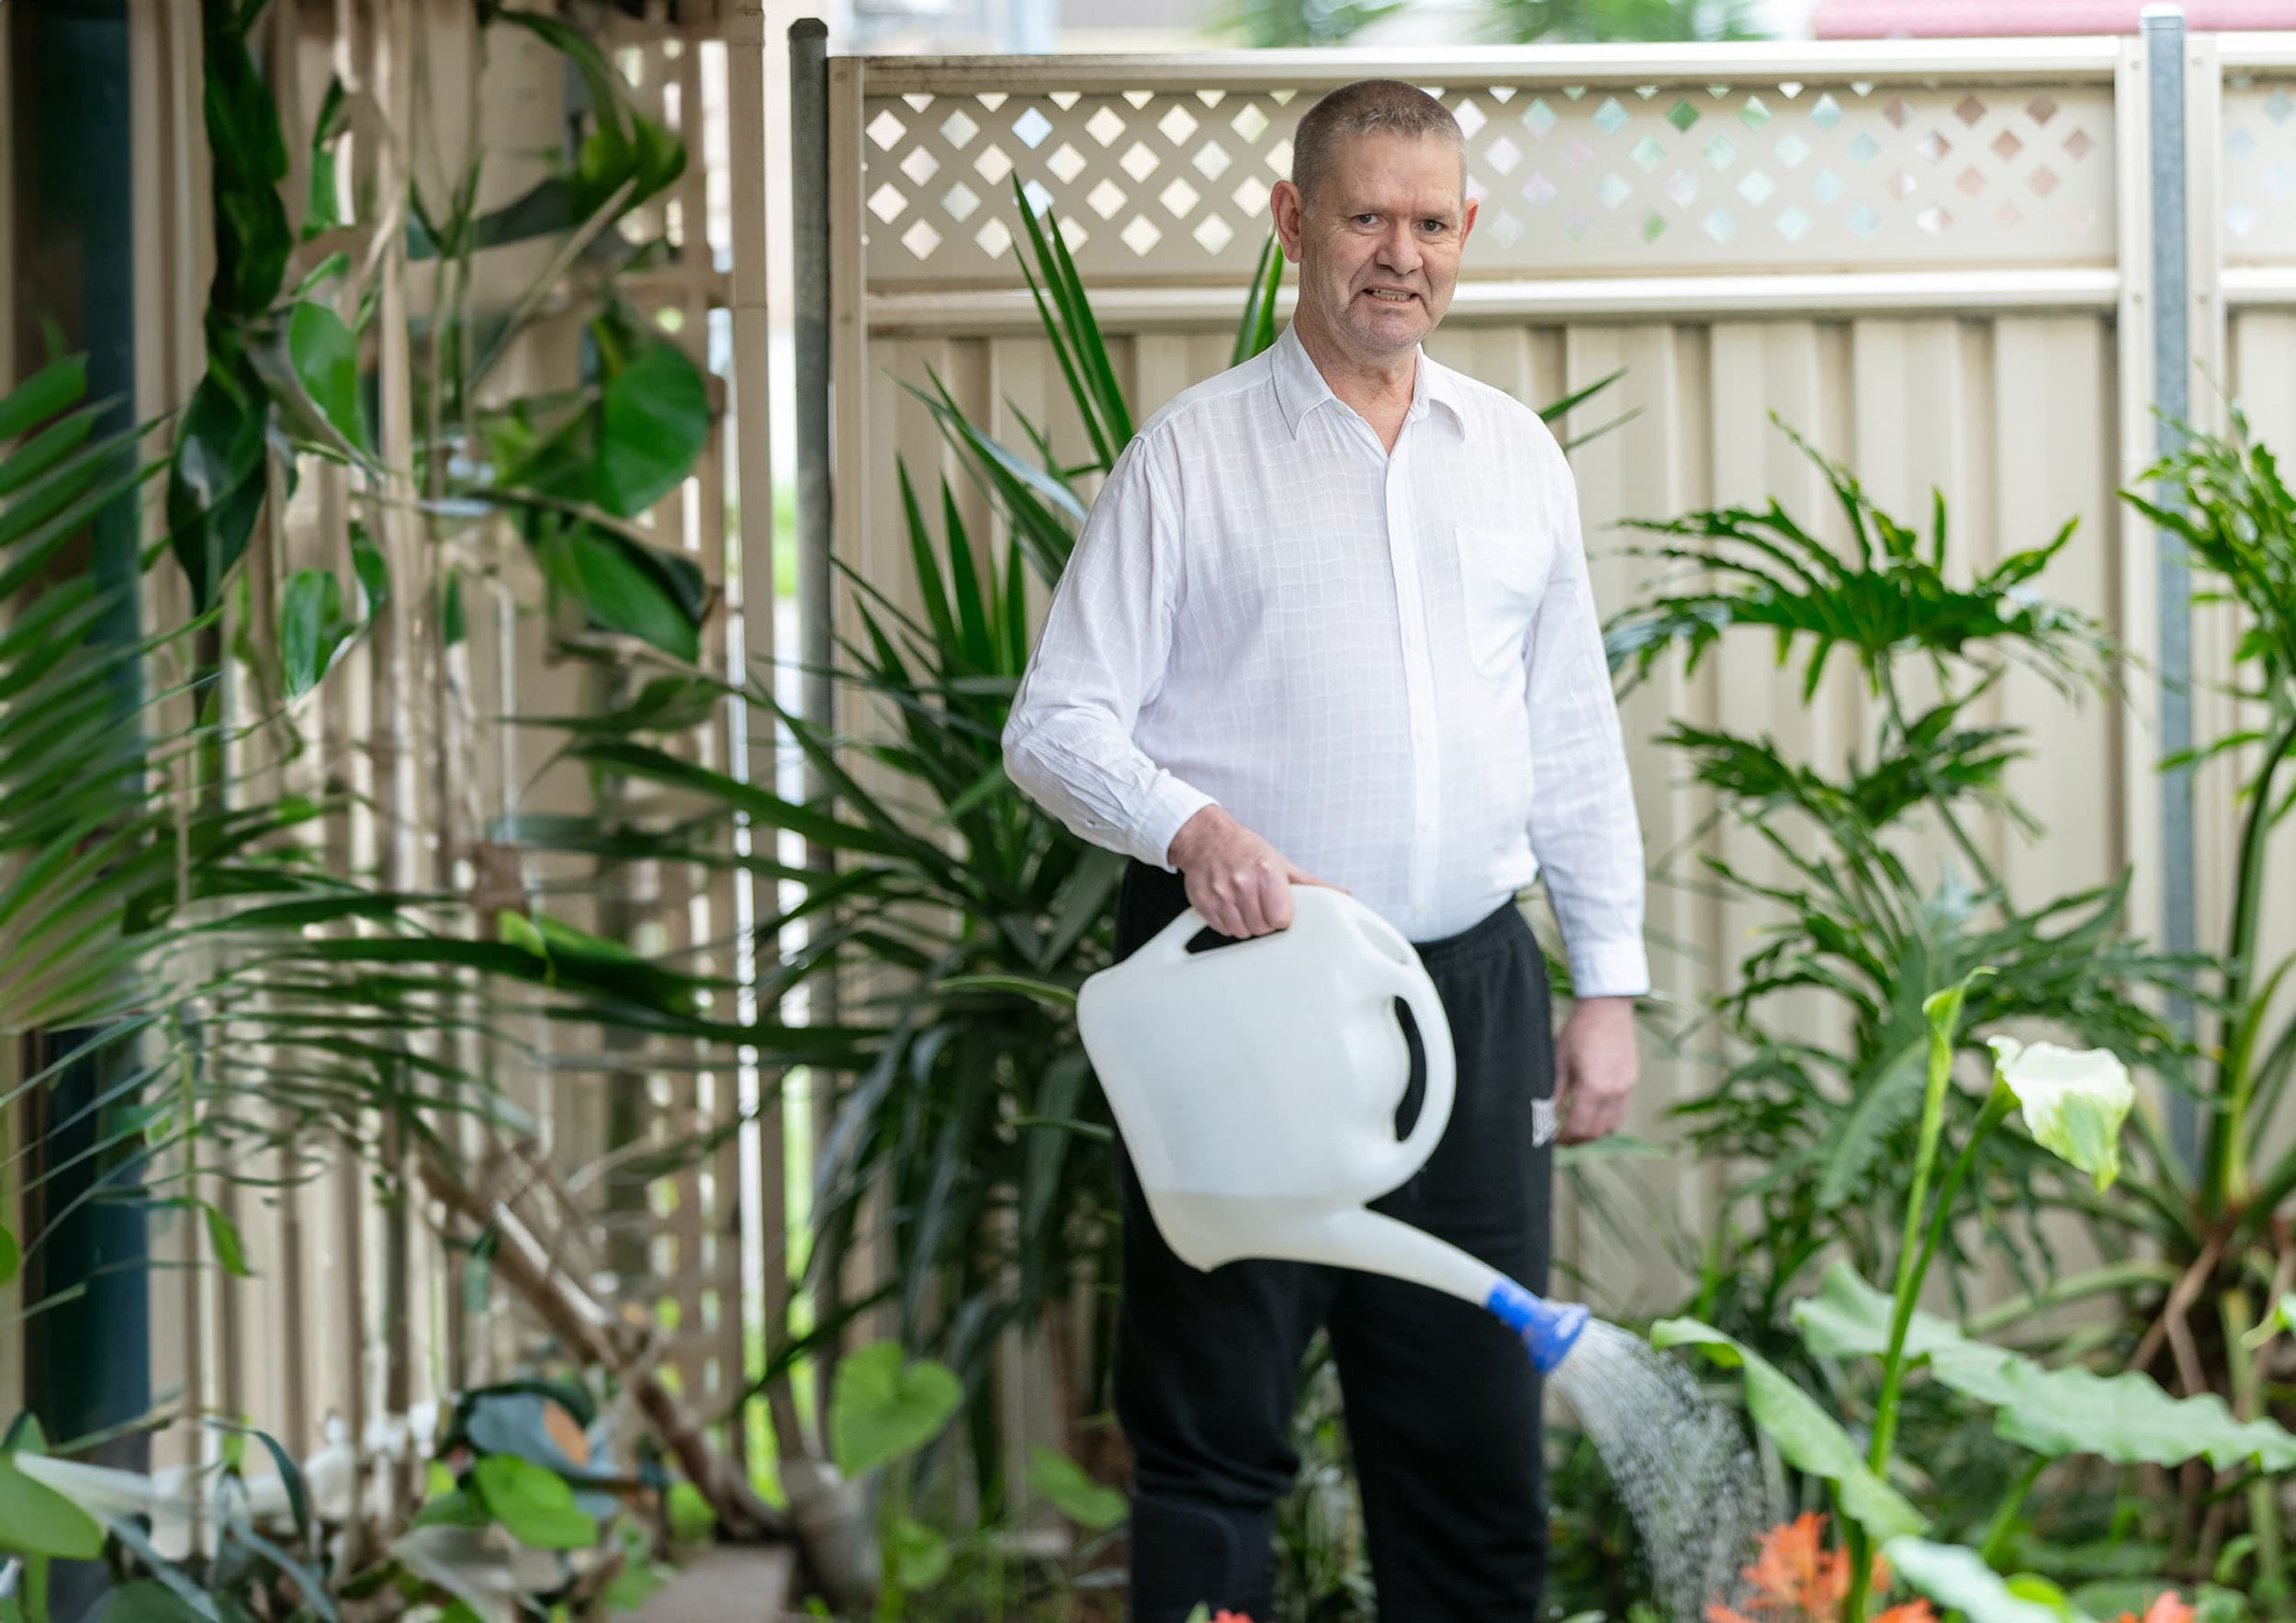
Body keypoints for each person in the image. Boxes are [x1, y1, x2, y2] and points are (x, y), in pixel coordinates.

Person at [1001, 78, 1649, 1622]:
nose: (1399, 255)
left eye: (1431, 223)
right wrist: (1189, 824)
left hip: (1476, 1004)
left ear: (1466, 235)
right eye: (1367, 216)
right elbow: (1055, 723)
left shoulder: (1516, 460)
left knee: (1475, 1451)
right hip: (1248, 1005)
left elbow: (1570, 734)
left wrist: (1607, 984)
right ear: (1296, 222)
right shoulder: (1191, 456)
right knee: (1214, 1439)